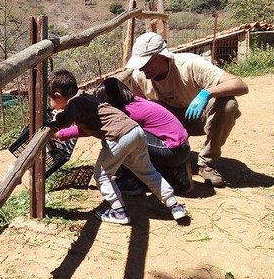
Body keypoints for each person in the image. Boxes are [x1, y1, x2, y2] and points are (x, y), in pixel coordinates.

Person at [47, 69, 188, 224]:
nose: (50, 104)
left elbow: (64, 121)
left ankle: (119, 212)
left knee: (101, 176)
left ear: (58, 96)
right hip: (136, 132)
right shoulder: (85, 97)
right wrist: (61, 134)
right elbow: (87, 127)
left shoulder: (74, 103)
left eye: (50, 99)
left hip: (119, 137)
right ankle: (174, 205)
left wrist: (53, 122)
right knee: (147, 171)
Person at [120, 32, 249, 187]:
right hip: (166, 123)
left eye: (147, 62)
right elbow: (139, 109)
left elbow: (240, 85)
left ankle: (207, 163)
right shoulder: (139, 77)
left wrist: (207, 93)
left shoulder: (190, 64)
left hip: (197, 117)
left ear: (162, 56)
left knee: (228, 105)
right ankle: (168, 161)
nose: (142, 67)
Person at [92, 77, 193, 194]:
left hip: (173, 152)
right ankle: (175, 174)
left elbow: (93, 128)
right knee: (132, 136)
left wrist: (66, 129)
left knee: (119, 135)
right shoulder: (136, 102)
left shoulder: (127, 112)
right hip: (182, 147)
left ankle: (128, 182)